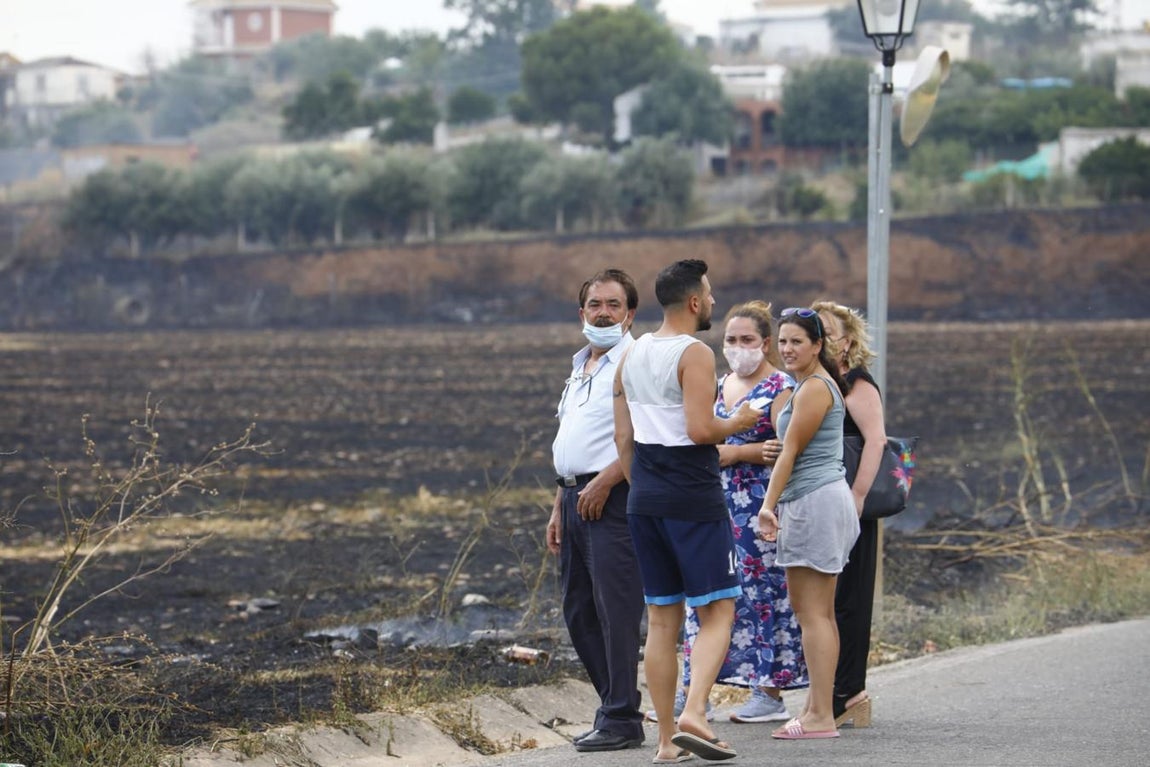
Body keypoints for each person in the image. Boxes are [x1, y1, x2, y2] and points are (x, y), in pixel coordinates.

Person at [614, 259, 761, 763]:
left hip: (645, 500)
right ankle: (695, 711)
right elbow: (701, 430)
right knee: (718, 612)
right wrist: (738, 421)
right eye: (711, 294)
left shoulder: (631, 353)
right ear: (694, 301)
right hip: (693, 498)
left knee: (661, 622)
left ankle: (664, 742)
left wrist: (642, 488)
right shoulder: (694, 352)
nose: (714, 301)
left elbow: (623, 436)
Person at [676, 301, 807, 724]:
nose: (737, 347)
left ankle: (768, 691)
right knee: (705, 593)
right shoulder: (719, 385)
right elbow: (700, 440)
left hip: (760, 504)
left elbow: (785, 449)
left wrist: (734, 453)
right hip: (715, 500)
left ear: (766, 343)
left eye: (747, 339)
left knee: (762, 592)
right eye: (731, 339)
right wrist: (740, 451)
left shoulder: (781, 387)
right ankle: (694, 693)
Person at [547, 268, 646, 753]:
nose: (603, 313)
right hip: (572, 497)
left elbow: (646, 434)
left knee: (616, 608)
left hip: (613, 496)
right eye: (595, 305)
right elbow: (571, 441)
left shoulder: (636, 362)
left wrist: (605, 482)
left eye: (613, 305)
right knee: (579, 609)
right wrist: (558, 505)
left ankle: (622, 716)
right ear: (581, 312)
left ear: (630, 314)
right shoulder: (579, 366)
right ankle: (615, 708)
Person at [756, 307, 859, 740]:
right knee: (818, 614)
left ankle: (820, 716)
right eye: (782, 341)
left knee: (812, 614)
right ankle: (817, 707)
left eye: (797, 341)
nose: (787, 349)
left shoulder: (815, 388)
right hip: (819, 500)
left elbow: (790, 452)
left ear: (818, 346)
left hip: (814, 502)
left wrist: (768, 505)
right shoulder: (808, 385)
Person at [812, 300, 886, 729]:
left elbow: (875, 440)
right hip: (823, 502)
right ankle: (835, 693)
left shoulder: (855, 382)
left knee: (849, 600)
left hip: (848, 504)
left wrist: (857, 497)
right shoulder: (816, 382)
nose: (820, 339)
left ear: (847, 342)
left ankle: (848, 693)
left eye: (827, 332)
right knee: (827, 600)